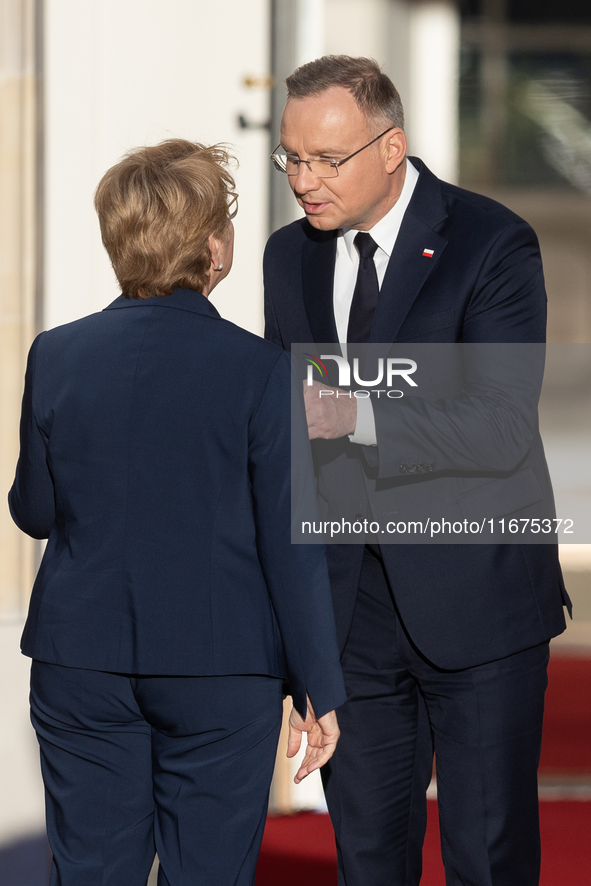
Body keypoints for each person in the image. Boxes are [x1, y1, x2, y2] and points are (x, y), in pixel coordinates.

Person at [264, 56, 571, 886]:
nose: (302, 179)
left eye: (326, 159)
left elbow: (499, 422)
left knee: (486, 857)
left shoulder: (491, 241)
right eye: (290, 156)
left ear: (391, 146)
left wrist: (351, 413)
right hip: (346, 614)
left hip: (476, 601)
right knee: (366, 860)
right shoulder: (284, 257)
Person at [9, 138, 346, 886]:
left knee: (91, 873)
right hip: (221, 669)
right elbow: (293, 545)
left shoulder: (55, 354)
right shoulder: (264, 372)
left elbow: (33, 512)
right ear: (213, 248)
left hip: (82, 659)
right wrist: (317, 683)